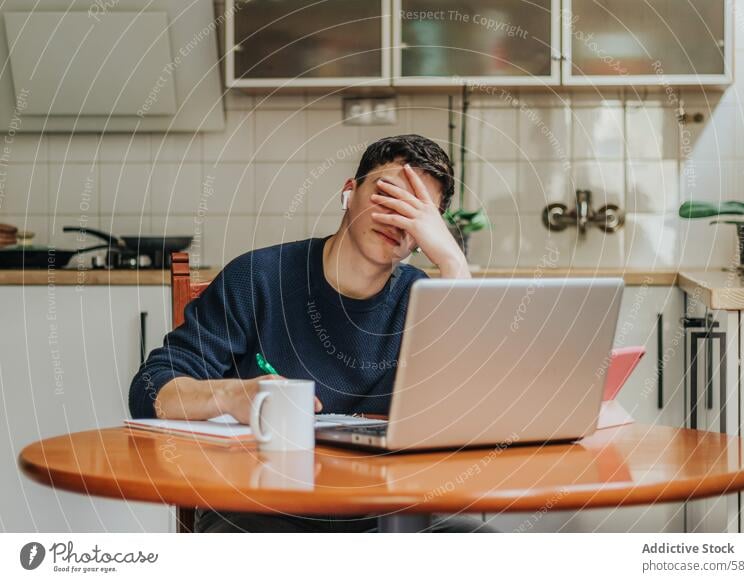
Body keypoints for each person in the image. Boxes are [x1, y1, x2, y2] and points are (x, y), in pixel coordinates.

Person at [129, 134, 495, 533]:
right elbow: (150, 389)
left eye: (416, 211)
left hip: (387, 514)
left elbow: (473, 414)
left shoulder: (427, 300)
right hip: (257, 509)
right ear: (349, 193)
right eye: (387, 194)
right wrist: (234, 395)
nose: (396, 217)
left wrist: (454, 263)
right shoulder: (257, 278)